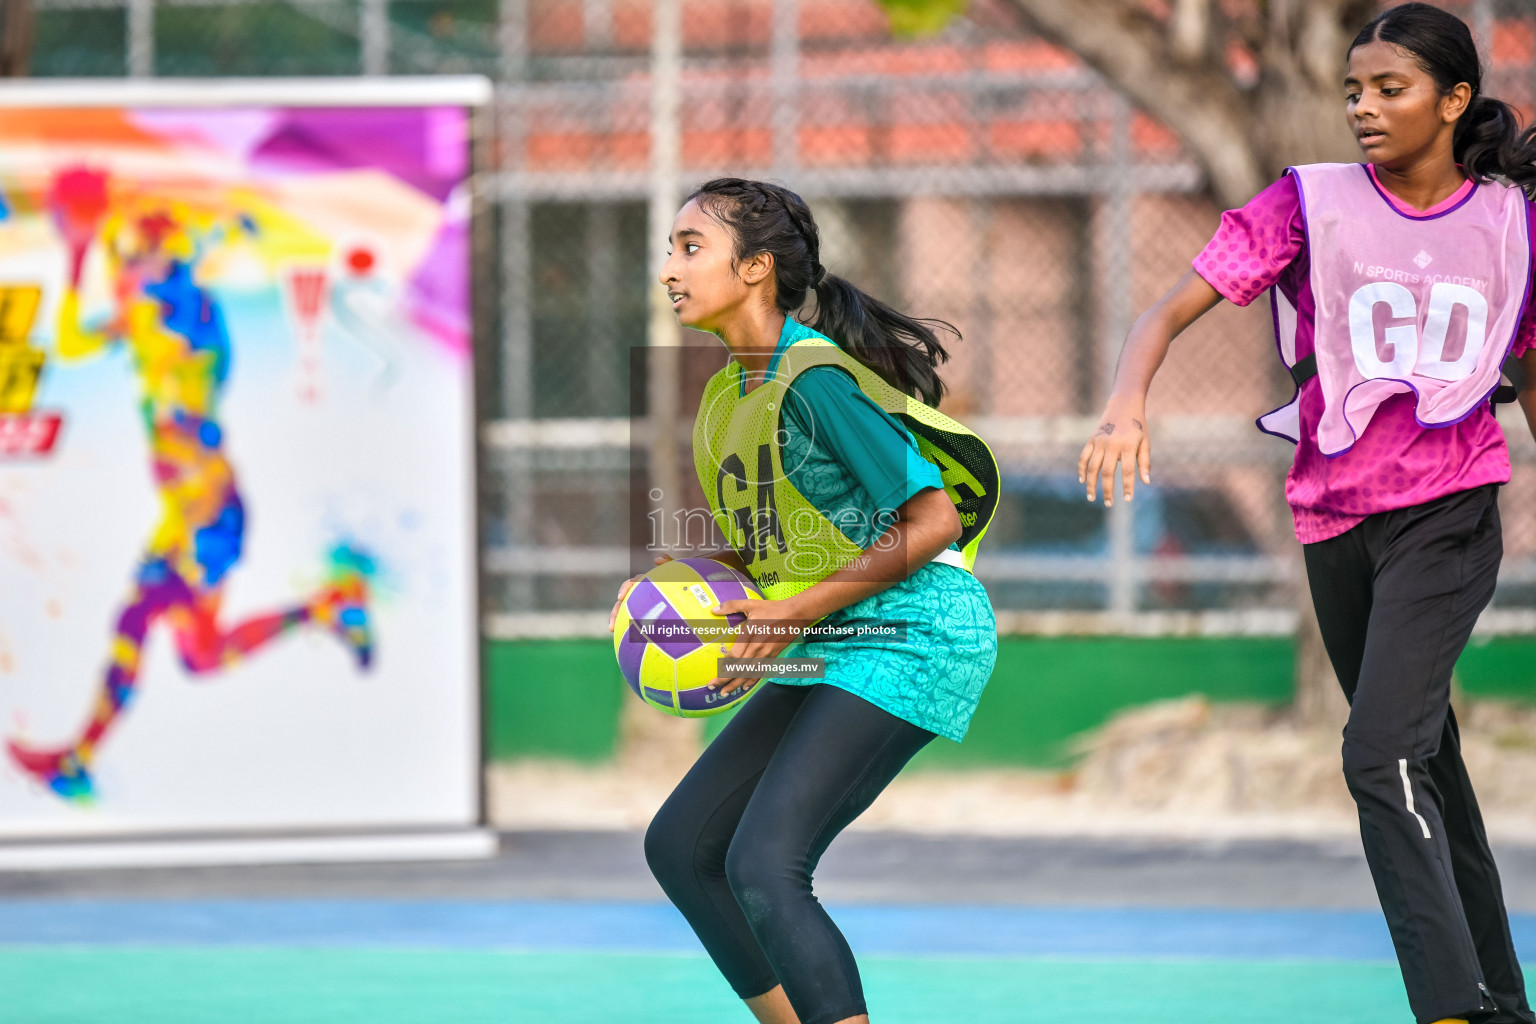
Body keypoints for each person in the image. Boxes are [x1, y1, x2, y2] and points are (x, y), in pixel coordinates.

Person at [1078, 6, 1536, 1023]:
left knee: (1378, 752)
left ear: (1454, 101)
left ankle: (1450, 1007)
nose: (1364, 109)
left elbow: (1530, 367)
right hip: (1334, 522)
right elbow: (1169, 310)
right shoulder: (1308, 203)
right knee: (1427, 759)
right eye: (1353, 91)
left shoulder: (1509, 223)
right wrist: (1125, 402)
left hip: (1449, 514)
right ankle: (1503, 997)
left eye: (1390, 89)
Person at [610, 178, 998, 1024]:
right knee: (682, 848)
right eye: (669, 250)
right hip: (834, 626)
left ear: (754, 269)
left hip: (915, 628)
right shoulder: (724, 399)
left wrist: (792, 613)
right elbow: (770, 549)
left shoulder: (814, 380)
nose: (669, 270)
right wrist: (673, 592)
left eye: (689, 248)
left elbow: (929, 518)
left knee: (765, 864)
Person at [6, 168, 374, 802]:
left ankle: (78, 758)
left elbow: (87, 333)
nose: (126, 263)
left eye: (139, 255)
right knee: (198, 653)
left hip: (203, 512)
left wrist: (91, 246)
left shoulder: (163, 316)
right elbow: (76, 337)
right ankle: (328, 606)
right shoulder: (159, 311)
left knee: (138, 618)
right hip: (204, 509)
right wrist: (77, 256)